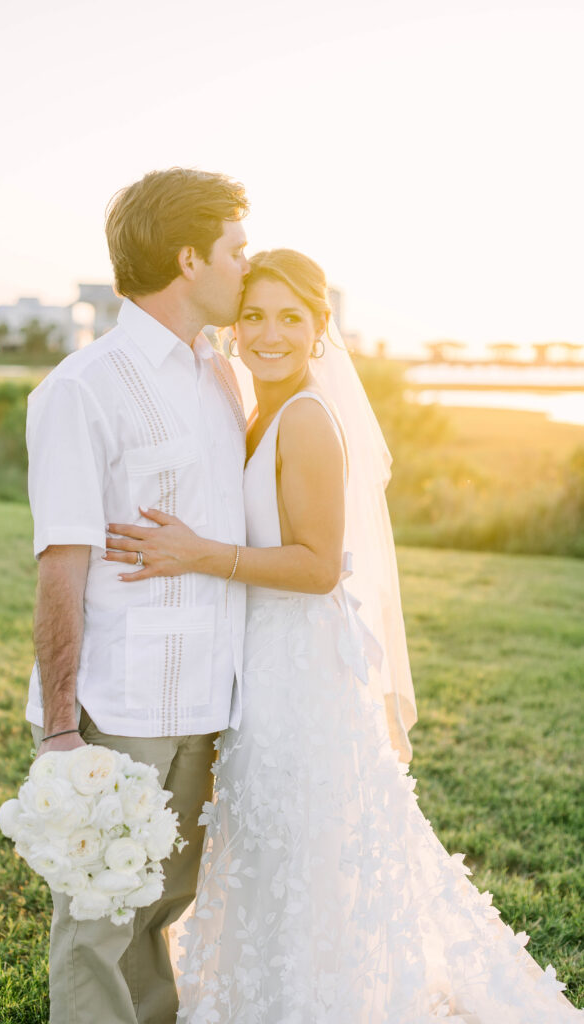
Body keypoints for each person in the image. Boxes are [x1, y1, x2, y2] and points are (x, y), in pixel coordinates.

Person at [104, 249, 583, 1022]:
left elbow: (319, 566)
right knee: (271, 843)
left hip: (298, 674)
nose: (269, 333)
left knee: (298, 841)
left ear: (318, 329)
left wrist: (196, 553)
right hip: (261, 662)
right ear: (233, 327)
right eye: (253, 315)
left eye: (289, 318)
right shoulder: (255, 410)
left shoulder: (306, 419)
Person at [25, 167, 250, 1024]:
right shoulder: (82, 387)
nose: (245, 266)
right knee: (98, 916)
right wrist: (60, 729)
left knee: (161, 903)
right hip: (120, 704)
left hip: (207, 697)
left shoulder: (218, 375)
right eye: (236, 250)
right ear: (190, 259)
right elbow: (61, 562)